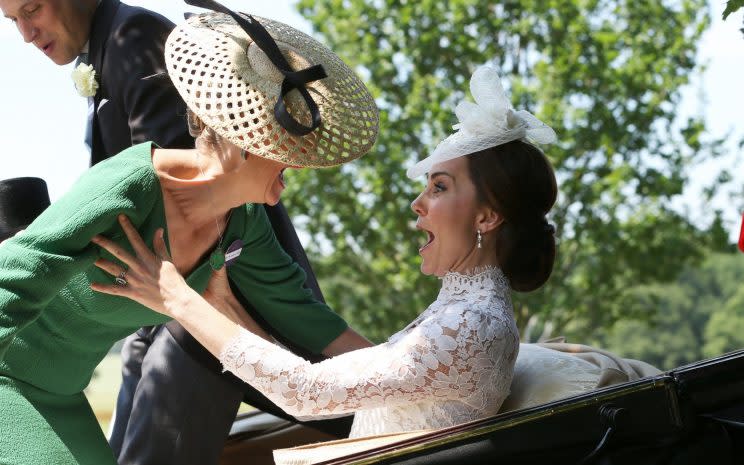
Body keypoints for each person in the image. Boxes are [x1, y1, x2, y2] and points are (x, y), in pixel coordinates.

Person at [92, 63, 559, 437]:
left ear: (486, 217)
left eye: (439, 187)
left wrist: (178, 298)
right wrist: (224, 304)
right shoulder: (464, 313)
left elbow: (304, 390)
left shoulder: (472, 324)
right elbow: (312, 381)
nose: (418, 204)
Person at [0, 5, 378, 465]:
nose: (299, 163)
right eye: (287, 149)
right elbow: (14, 271)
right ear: (242, 141)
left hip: (63, 390)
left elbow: (309, 321)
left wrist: (412, 368)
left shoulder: (243, 224)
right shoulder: (130, 185)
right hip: (8, 378)